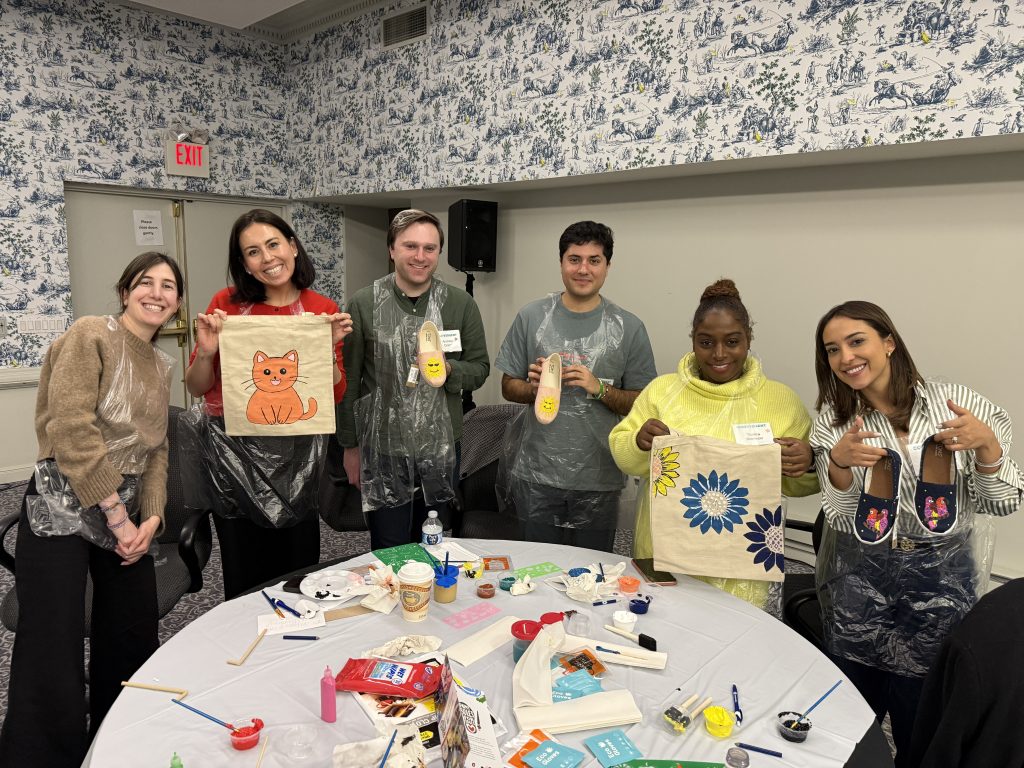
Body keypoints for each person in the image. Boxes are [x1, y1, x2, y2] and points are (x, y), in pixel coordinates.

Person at [810, 300, 1022, 768]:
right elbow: (844, 519)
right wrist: (840, 465)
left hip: (943, 574)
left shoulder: (959, 406)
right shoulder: (833, 421)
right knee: (851, 700)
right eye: (832, 349)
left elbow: (1002, 502)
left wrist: (987, 446)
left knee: (922, 704)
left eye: (856, 341)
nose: (845, 357)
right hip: (862, 572)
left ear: (889, 342)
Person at [0, 252, 183, 766]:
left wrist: (150, 517)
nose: (158, 292)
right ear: (125, 291)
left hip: (124, 511)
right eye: (146, 282)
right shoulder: (90, 334)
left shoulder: (161, 362)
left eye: (169, 286)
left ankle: (119, 738)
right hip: (62, 502)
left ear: (177, 303)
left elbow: (157, 449)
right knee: (50, 643)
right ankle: (42, 754)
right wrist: (118, 517)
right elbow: (71, 430)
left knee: (132, 629)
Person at [609, 279, 818, 608]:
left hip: (741, 571)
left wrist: (803, 463)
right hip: (663, 556)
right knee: (662, 638)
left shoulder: (781, 401)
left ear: (748, 339)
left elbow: (801, 484)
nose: (719, 354)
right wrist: (638, 442)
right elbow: (624, 456)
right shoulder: (663, 392)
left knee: (734, 648)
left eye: (732, 341)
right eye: (706, 342)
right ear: (693, 341)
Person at [183, 209, 352, 599]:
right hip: (234, 457)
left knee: (297, 572)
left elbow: (336, 394)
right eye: (253, 252)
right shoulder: (227, 304)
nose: (268, 258)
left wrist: (324, 350)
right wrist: (207, 352)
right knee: (244, 571)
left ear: (292, 246)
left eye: (273, 244)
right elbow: (197, 387)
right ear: (243, 263)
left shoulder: (320, 310)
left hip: (298, 459)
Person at [495, 221, 656, 551]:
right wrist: (534, 389)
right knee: (534, 570)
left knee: (591, 577)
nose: (583, 269)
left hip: (598, 477)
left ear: (607, 266)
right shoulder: (531, 317)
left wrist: (600, 389)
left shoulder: (629, 327)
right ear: (561, 263)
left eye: (594, 260)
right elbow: (508, 386)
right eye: (574, 259)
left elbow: (644, 403)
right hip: (537, 474)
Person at [340, 209, 489, 549]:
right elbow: (348, 379)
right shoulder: (364, 304)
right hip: (384, 447)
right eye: (410, 246)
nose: (420, 257)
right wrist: (349, 446)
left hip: (440, 447)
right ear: (392, 249)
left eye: (429, 248)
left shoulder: (459, 304)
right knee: (390, 547)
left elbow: (480, 368)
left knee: (432, 543)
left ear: (438, 253)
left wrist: (450, 370)